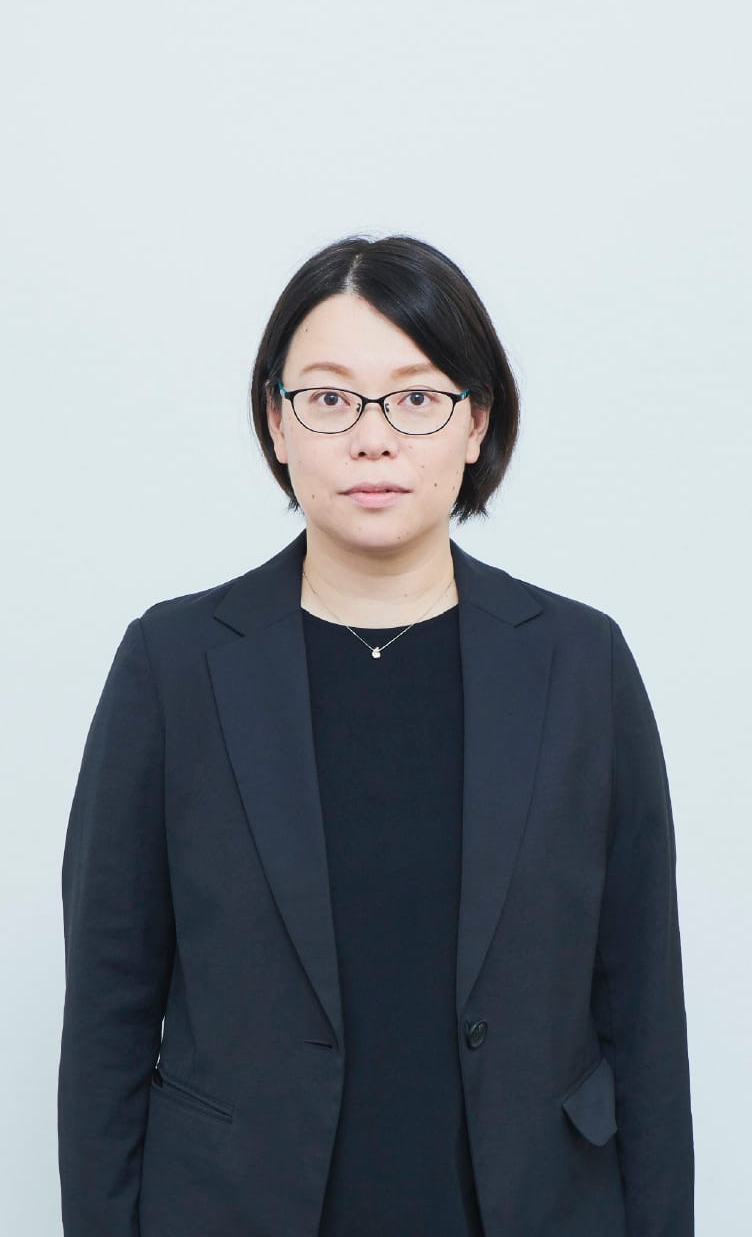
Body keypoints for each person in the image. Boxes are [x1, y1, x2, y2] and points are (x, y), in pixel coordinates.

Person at [57, 233, 694, 1236]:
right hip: (236, 1208)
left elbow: (643, 1010)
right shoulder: (174, 665)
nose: (372, 438)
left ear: (475, 422)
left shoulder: (581, 664)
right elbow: (107, 1011)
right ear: (277, 422)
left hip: (531, 1206)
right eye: (329, 398)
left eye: (416, 397)